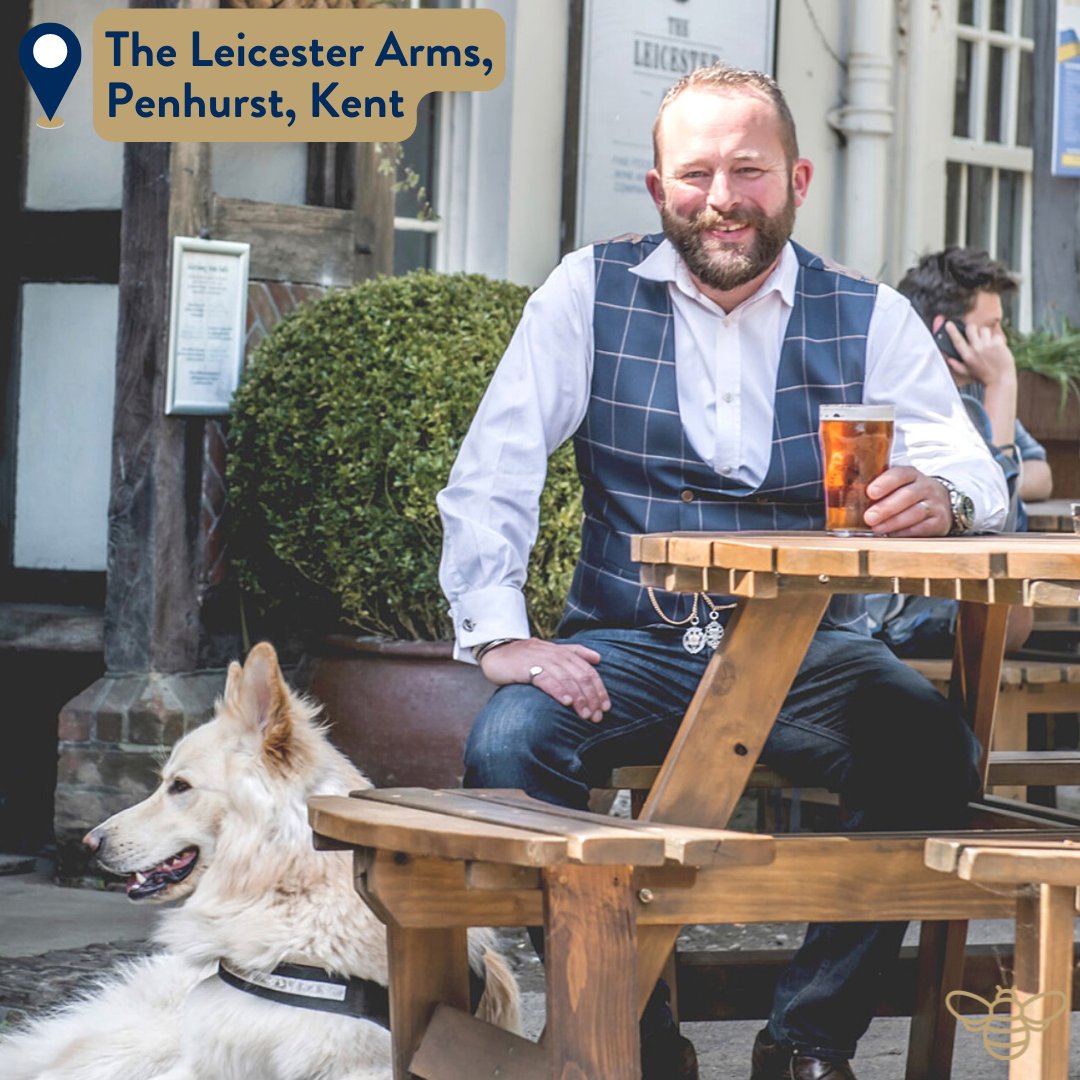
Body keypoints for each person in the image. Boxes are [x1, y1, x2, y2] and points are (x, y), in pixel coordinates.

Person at [438, 64, 1008, 1080]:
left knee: (933, 754)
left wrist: (945, 497)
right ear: (659, 188)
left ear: (797, 180)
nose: (721, 198)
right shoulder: (586, 291)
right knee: (510, 748)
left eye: (748, 170)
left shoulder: (868, 313)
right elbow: (494, 468)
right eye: (696, 173)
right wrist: (502, 637)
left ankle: (808, 1042)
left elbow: (969, 465)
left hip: (810, 654)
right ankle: (634, 1037)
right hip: (629, 642)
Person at [869, 248, 1053, 658]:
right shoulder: (904, 401)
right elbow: (1006, 498)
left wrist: (971, 490)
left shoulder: (973, 397)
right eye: (990, 329)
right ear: (943, 331)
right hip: (903, 609)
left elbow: (1040, 475)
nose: (1001, 343)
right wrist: (1003, 383)